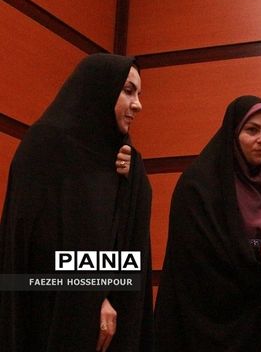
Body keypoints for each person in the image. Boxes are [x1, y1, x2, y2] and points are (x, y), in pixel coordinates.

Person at [0, 53, 153, 351]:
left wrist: (135, 178)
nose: (138, 104)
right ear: (99, 89)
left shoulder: (119, 158)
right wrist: (92, 294)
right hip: (46, 316)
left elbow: (130, 246)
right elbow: (36, 249)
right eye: (128, 91)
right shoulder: (46, 146)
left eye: (139, 94)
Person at [154, 95, 261, 352]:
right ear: (232, 134)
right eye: (252, 130)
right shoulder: (197, 185)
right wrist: (257, 251)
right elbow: (196, 257)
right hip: (214, 321)